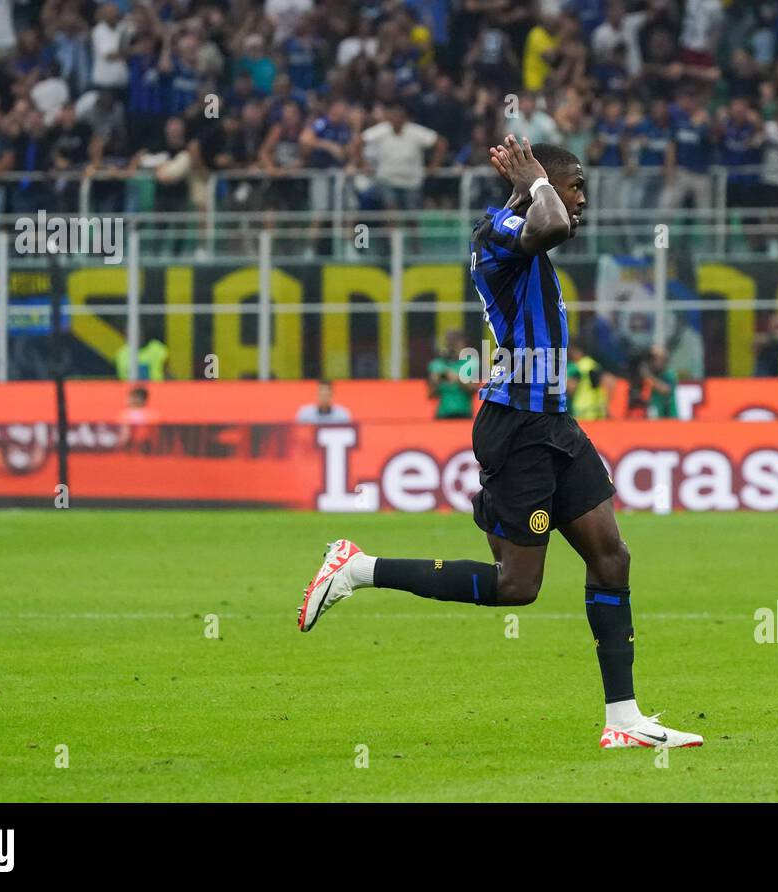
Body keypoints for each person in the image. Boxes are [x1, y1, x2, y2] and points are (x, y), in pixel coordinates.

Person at [299, 135, 702, 750]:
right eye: (577, 187)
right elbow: (552, 225)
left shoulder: (523, 220)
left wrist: (539, 186)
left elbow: (552, 221)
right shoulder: (498, 231)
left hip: (554, 423)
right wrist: (540, 181)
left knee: (611, 557)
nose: (581, 201)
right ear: (544, 180)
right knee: (517, 586)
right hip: (517, 428)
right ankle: (357, 568)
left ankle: (623, 720)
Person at [427, 330, 478, 420]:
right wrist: (436, 381)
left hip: (464, 414)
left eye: (455, 343)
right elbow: (430, 395)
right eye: (450, 343)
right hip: (443, 414)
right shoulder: (437, 365)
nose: (452, 347)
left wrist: (458, 378)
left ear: (463, 344)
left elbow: (474, 390)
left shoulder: (471, 363)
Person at [565, 343, 612, 421]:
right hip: (597, 410)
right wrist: (606, 405)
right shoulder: (593, 364)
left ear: (578, 351)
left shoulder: (577, 367)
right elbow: (610, 382)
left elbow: (571, 387)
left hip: (582, 410)